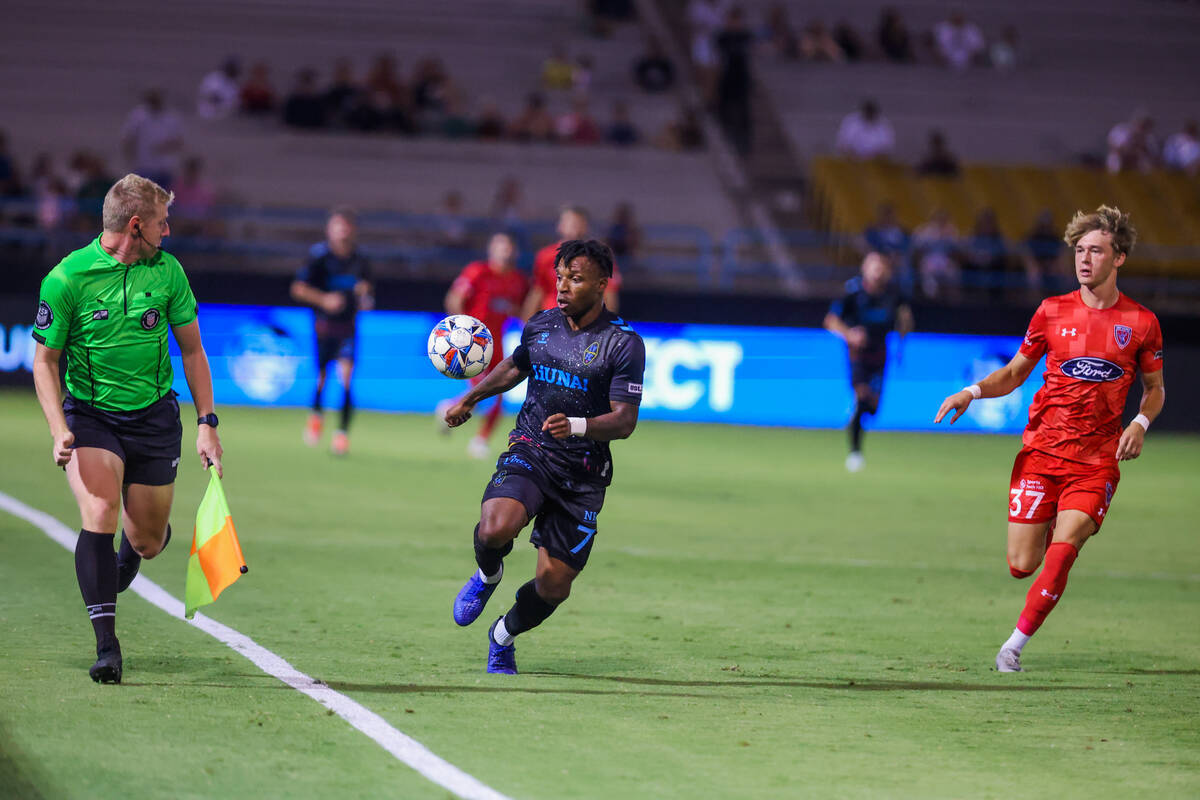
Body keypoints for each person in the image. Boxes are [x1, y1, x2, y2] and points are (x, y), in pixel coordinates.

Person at [935, 205, 1165, 673]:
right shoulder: (1051, 312)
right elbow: (1017, 373)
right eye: (1079, 250)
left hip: (1096, 459)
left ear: (1118, 258)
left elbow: (1155, 391)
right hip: (1041, 452)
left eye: (1095, 251)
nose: (1084, 259)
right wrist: (973, 391)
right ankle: (1043, 539)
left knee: (1064, 551)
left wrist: (1139, 423)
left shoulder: (1141, 323)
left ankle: (1012, 647)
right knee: (1022, 564)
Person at [31, 173, 224, 684]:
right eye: (163, 222)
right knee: (99, 509)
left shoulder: (169, 272)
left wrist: (207, 424)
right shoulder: (68, 278)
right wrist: (58, 428)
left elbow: (192, 350)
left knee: (147, 541)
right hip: (91, 416)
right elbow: (45, 362)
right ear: (136, 225)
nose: (169, 231)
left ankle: (131, 551)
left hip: (155, 418)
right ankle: (107, 648)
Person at [443, 239, 646, 674]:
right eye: (560, 277)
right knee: (495, 527)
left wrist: (577, 425)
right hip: (532, 449)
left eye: (576, 278)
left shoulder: (623, 343)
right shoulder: (541, 325)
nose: (563, 286)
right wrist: (471, 398)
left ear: (601, 284)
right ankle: (488, 576)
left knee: (554, 585)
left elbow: (625, 420)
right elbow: (516, 366)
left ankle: (503, 636)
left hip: (583, 476)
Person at [436, 232, 529, 459]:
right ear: (491, 250)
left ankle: (476, 435)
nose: (505, 252)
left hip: (497, 342)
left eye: (508, 248)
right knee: (484, 391)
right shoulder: (477, 272)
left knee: (499, 392)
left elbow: (521, 309)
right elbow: (454, 297)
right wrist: (459, 331)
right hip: (472, 342)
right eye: (500, 247)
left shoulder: (518, 280)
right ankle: (461, 420)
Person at [290, 208, 373, 455]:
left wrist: (365, 297)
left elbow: (366, 290)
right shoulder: (319, 257)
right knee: (322, 377)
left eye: (346, 226)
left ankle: (342, 435)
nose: (343, 231)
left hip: (348, 327)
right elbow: (299, 288)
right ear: (330, 230)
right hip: (324, 325)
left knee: (346, 379)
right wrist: (324, 299)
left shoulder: (361, 259)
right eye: (338, 226)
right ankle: (316, 416)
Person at [824, 252, 913, 472]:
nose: (877, 271)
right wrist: (849, 334)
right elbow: (831, 321)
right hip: (858, 355)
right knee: (862, 396)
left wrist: (904, 333)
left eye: (881, 267)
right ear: (865, 268)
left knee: (872, 408)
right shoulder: (852, 293)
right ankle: (855, 453)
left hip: (880, 353)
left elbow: (904, 323)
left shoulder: (894, 295)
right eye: (873, 266)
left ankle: (857, 412)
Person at [523, 206, 621, 318]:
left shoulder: (599, 256)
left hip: (584, 323)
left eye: (578, 223)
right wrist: (527, 325)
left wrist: (606, 324)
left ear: (585, 227)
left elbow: (609, 292)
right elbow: (537, 291)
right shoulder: (545, 256)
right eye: (569, 222)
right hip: (552, 321)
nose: (573, 227)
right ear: (560, 226)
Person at [120, 90, 185, 189]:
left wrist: (165, 146)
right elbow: (128, 138)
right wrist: (130, 158)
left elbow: (179, 141)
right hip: (144, 165)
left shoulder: (171, 117)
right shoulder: (138, 116)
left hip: (165, 167)